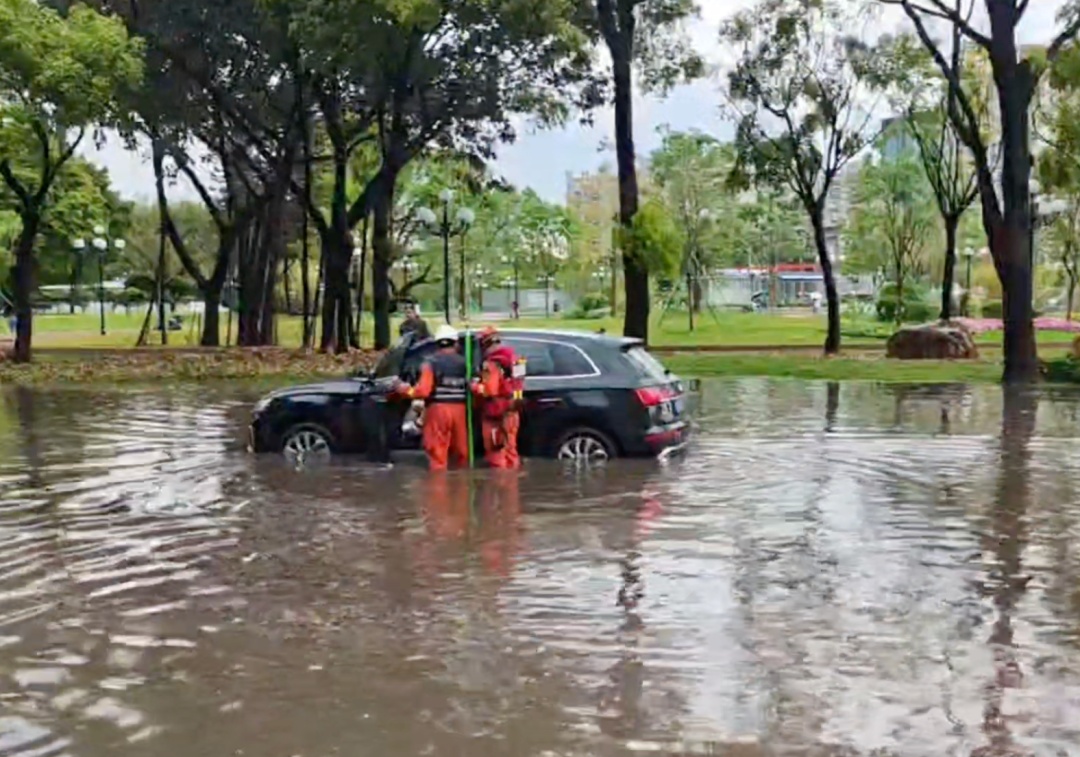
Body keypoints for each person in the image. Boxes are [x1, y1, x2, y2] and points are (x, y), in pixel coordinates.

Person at [392, 324, 469, 471]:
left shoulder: (430, 363)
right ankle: (461, 488)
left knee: (437, 452)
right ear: (455, 342)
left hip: (438, 410)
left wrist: (406, 390)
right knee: (460, 452)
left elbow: (423, 391)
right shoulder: (465, 363)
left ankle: (438, 489)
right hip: (460, 410)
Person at [472, 326, 525, 469]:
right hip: (512, 410)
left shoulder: (491, 364)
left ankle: (500, 486)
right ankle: (512, 487)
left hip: (495, 413)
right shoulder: (518, 359)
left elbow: (490, 390)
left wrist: (474, 386)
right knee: (511, 449)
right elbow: (519, 384)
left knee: (496, 452)